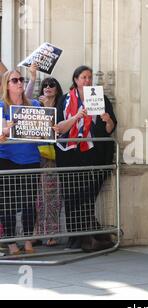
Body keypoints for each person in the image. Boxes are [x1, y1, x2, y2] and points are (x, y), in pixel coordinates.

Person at [55, 65, 117, 250]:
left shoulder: (101, 98)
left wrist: (107, 120)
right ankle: (75, 239)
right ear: (76, 79)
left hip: (92, 152)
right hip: (68, 153)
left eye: (89, 77)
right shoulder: (65, 100)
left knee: (87, 195)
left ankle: (87, 236)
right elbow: (59, 129)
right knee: (71, 195)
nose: (87, 80)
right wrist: (76, 117)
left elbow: (110, 129)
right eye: (83, 77)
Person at [0, 70, 41, 255]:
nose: (19, 83)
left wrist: (52, 129)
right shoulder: (1, 106)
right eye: (14, 80)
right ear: (6, 84)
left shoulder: (33, 105)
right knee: (7, 202)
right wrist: (4, 131)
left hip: (30, 159)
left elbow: (45, 130)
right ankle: (11, 242)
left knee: (29, 202)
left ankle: (28, 239)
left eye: (20, 79)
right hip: (7, 159)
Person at [33, 77, 64, 247]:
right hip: (36, 153)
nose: (47, 88)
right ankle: (36, 233)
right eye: (45, 85)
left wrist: (46, 108)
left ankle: (52, 233)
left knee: (51, 195)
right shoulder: (35, 105)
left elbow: (56, 129)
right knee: (37, 197)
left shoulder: (61, 106)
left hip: (52, 156)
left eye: (52, 85)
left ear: (57, 89)